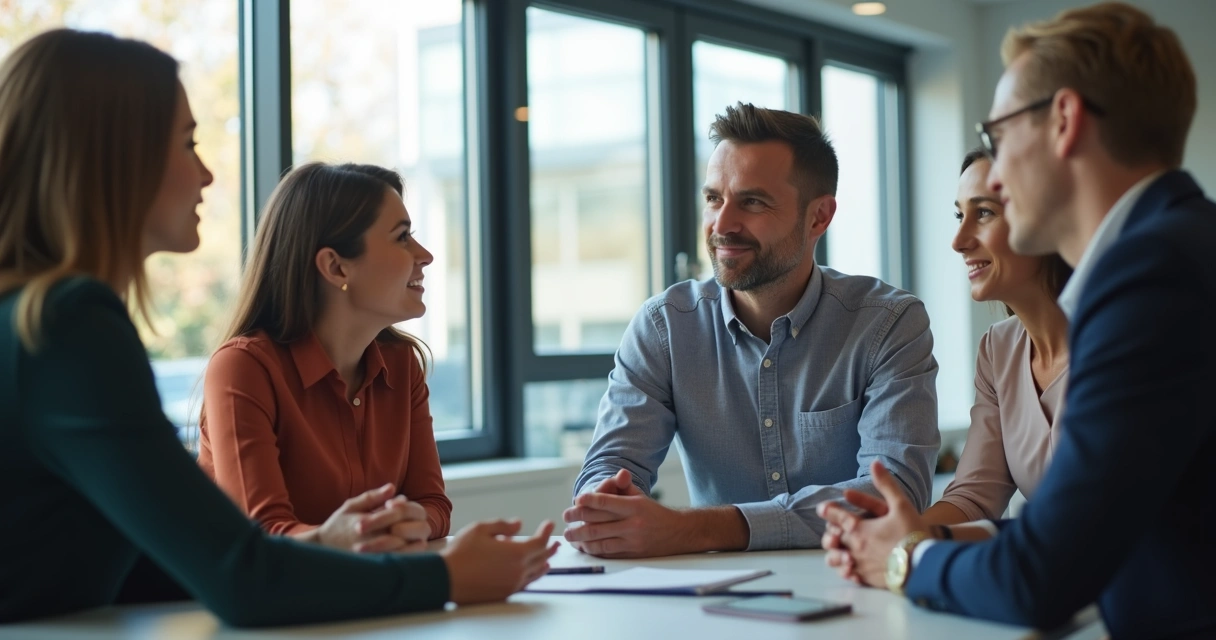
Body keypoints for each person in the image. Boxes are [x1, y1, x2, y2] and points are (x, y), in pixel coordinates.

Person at [0, 29, 555, 626]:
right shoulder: (65, 325)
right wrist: (448, 577)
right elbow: (242, 577)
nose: (207, 175)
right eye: (187, 144)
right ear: (116, 159)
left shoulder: (40, 319)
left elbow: (161, 562)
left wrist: (328, 546)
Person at [816, 3, 1216, 637]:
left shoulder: (1150, 274)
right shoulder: (1180, 247)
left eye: (997, 139)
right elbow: (1083, 535)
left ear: (1064, 120)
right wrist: (915, 539)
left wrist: (907, 559)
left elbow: (1042, 578)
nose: (997, 177)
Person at [563, 103, 940, 558]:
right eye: (713, 199)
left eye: (753, 202)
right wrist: (608, 502)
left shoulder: (888, 324)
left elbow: (896, 493)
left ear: (819, 217)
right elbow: (610, 462)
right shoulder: (664, 327)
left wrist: (694, 530)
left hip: (855, 582)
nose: (721, 225)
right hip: (716, 593)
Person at [829, 150, 1071, 567]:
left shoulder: (1119, 340)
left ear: (1044, 219)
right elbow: (975, 497)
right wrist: (894, 538)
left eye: (985, 213)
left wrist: (912, 547)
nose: (959, 241)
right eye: (960, 216)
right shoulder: (998, 349)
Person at [197, 162, 452, 553]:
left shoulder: (403, 364)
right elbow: (262, 535)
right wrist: (371, 533)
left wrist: (407, 523)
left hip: (367, 585)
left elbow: (433, 504)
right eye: (402, 237)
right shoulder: (243, 368)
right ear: (335, 267)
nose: (426, 255)